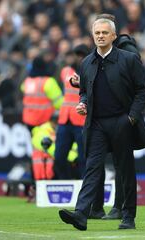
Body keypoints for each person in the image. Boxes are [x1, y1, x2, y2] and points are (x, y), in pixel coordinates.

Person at [58, 15, 145, 231]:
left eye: (104, 33)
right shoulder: (86, 62)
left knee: (125, 169)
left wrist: (131, 117)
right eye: (97, 33)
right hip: (97, 123)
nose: (100, 36)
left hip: (122, 121)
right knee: (92, 167)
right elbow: (85, 91)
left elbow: (143, 90)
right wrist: (83, 103)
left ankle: (128, 216)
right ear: (93, 36)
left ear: (113, 35)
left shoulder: (128, 59)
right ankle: (81, 214)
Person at [54, 44, 89, 180]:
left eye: (81, 55)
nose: (78, 58)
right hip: (65, 119)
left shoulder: (91, 71)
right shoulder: (65, 71)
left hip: (82, 120)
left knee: (83, 158)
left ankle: (84, 186)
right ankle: (66, 183)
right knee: (59, 157)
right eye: (77, 55)